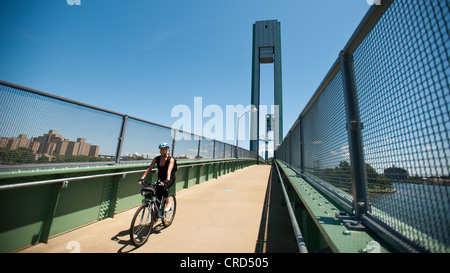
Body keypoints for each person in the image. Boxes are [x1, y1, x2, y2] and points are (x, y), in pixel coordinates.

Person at [138, 142, 176, 212]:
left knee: (163, 187)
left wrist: (167, 180)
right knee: (157, 194)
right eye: (161, 149)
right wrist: (142, 178)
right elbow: (149, 169)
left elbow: (169, 170)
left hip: (169, 178)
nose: (162, 150)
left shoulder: (171, 159)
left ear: (167, 149)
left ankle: (168, 202)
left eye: (163, 149)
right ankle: (156, 214)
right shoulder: (156, 158)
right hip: (160, 178)